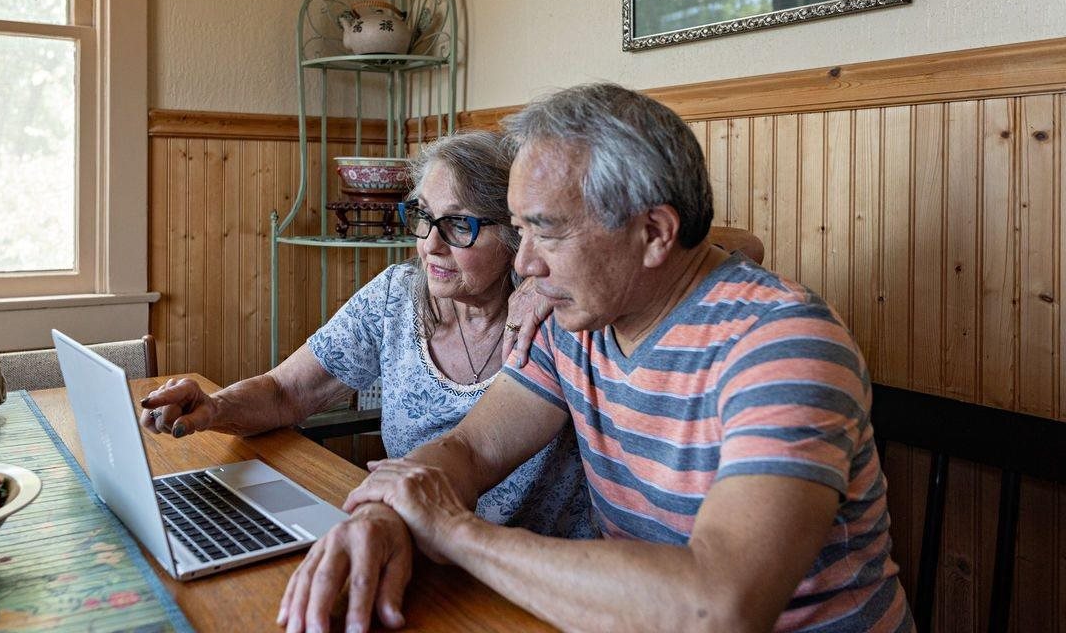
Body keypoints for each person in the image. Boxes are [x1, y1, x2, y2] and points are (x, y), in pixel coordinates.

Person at [278, 84, 913, 633]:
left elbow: (718, 607)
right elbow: (469, 450)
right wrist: (382, 516)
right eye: (520, 231)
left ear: (654, 234)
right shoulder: (575, 320)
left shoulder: (783, 345)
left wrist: (455, 533)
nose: (525, 265)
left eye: (547, 232)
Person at [139, 130, 593, 541]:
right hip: (412, 541)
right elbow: (286, 391)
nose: (430, 245)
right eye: (423, 216)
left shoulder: (554, 315)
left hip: (531, 566)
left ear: (517, 234)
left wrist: (549, 282)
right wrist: (215, 407)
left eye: (459, 225)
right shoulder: (396, 296)